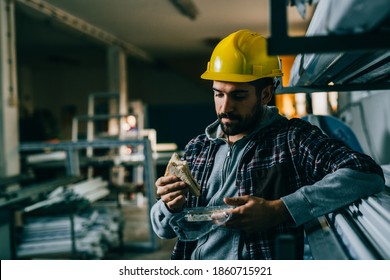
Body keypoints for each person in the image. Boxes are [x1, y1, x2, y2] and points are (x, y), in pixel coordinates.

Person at [150, 29, 385, 260]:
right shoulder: (198, 148)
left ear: (265, 95)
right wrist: (169, 207)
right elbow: (165, 229)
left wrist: (280, 209)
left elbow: (364, 172)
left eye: (238, 96)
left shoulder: (291, 139)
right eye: (218, 94)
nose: (225, 107)